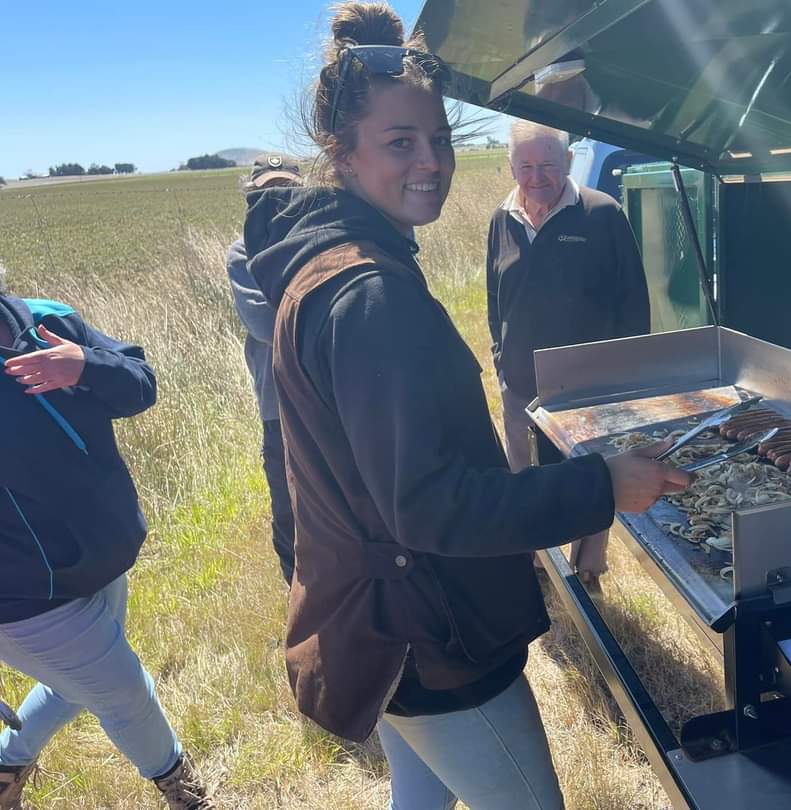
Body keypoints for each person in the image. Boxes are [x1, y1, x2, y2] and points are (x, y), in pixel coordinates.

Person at [242, 4, 689, 808]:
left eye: (441, 139)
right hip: (426, 635)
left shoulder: (324, 264)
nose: (432, 164)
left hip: (375, 626)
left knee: (418, 792)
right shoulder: (368, 292)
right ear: (339, 156)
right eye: (400, 143)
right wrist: (601, 486)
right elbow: (430, 505)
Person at [0, 264, 214, 809]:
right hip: (23, 595)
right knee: (124, 691)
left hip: (104, 553)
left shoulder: (48, 320)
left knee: (78, 687)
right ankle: (183, 793)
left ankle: (3, 769)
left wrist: (84, 367)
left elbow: (140, 386)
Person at [486, 120, 651, 592]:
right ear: (511, 166)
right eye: (525, 166)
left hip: (588, 383)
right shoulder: (501, 218)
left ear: (568, 163)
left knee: (589, 477)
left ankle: (588, 568)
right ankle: (539, 566)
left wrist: (626, 374)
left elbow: (632, 303)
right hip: (520, 380)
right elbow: (494, 297)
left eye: (547, 166)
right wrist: (501, 357)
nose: (536, 177)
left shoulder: (601, 213)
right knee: (526, 475)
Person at [226, 154, 303, 584]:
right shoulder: (242, 252)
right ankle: (299, 606)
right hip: (279, 407)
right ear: (250, 199)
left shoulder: (322, 239)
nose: (278, 201)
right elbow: (264, 323)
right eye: (266, 193)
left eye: (287, 191)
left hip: (334, 401)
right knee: (289, 515)